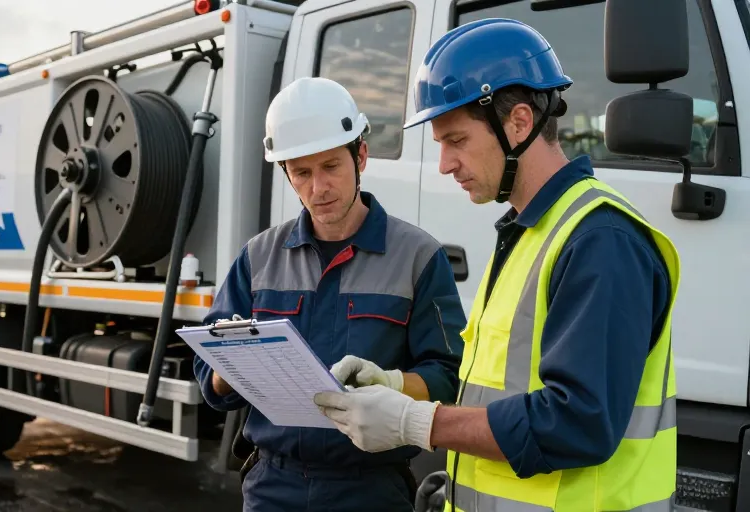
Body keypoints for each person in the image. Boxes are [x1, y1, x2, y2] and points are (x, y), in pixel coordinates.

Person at [313, 18, 680, 512]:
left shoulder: (600, 240)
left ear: (520, 123)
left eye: (456, 140)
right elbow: (498, 393)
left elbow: (578, 423)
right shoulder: (529, 231)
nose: (444, 164)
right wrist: (397, 387)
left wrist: (416, 423)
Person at [193, 76, 466, 511]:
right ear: (286, 173)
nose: (317, 188)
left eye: (330, 167)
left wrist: (393, 383)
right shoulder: (257, 257)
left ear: (360, 155)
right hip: (272, 487)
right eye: (301, 172)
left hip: (371, 490)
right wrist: (229, 364)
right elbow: (209, 376)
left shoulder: (418, 256)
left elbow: (451, 379)